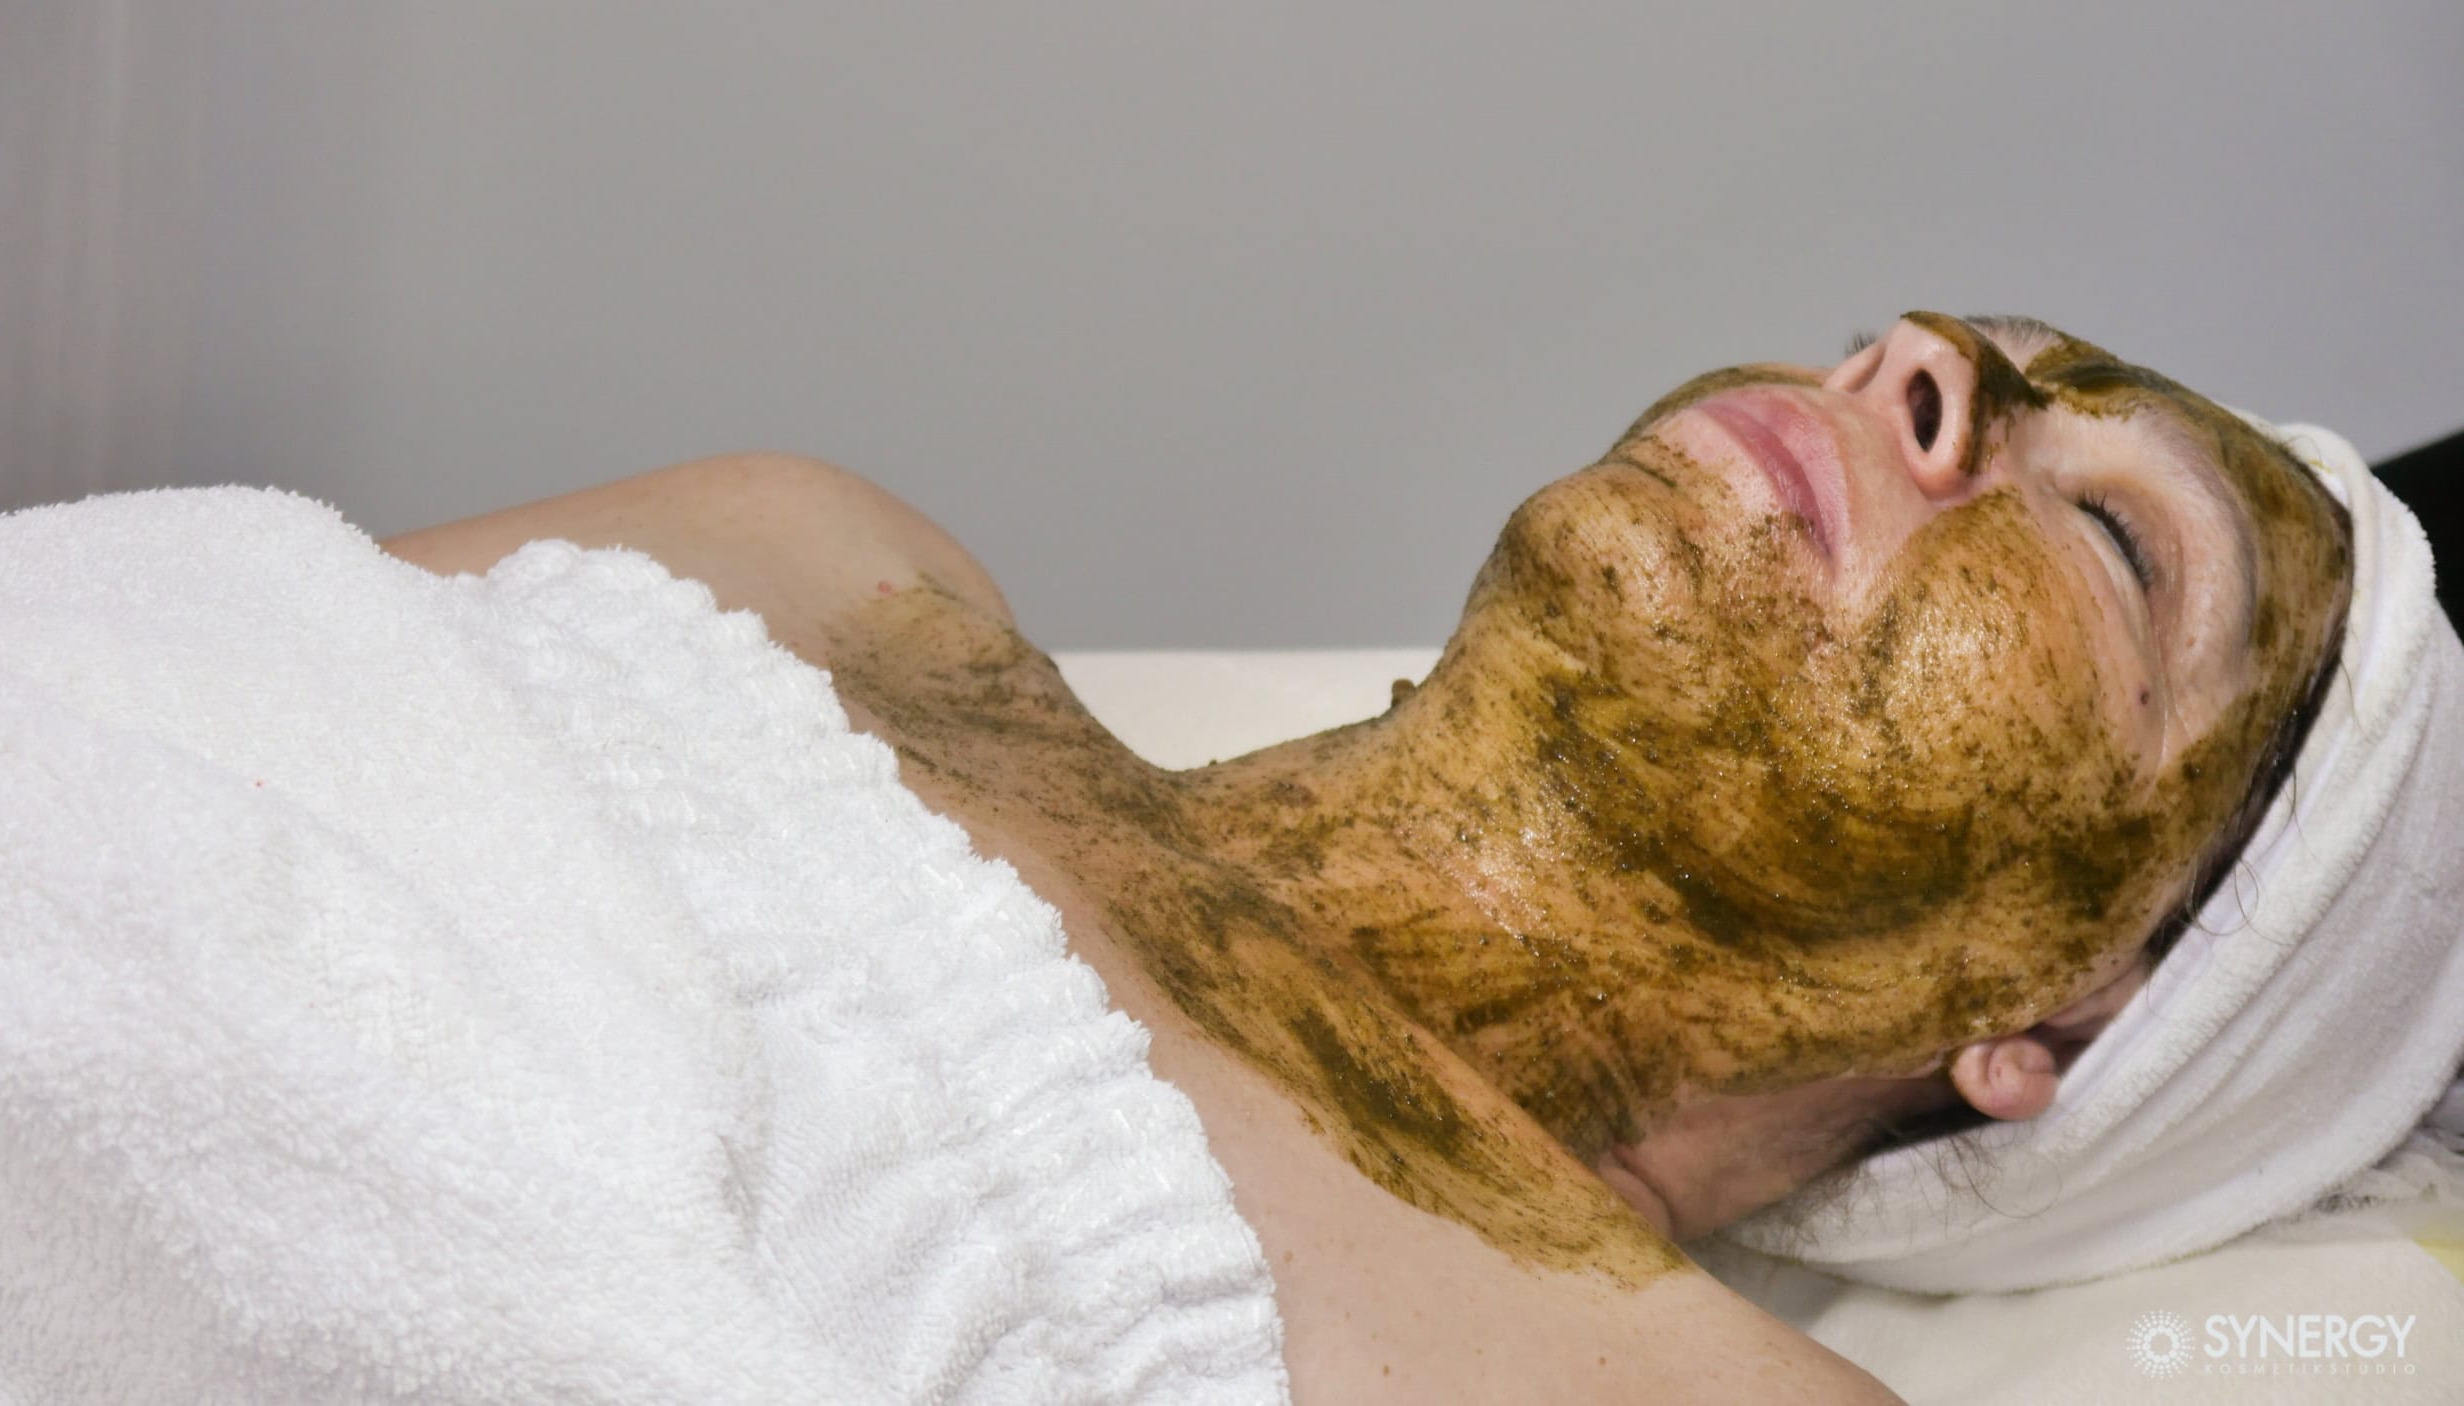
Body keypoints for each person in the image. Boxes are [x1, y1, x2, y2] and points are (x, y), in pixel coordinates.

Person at [379, 311, 2356, 1402]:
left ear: (2069, 1012)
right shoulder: (807, 563)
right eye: (1916, 338)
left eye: (2119, 539)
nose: (1917, 358)